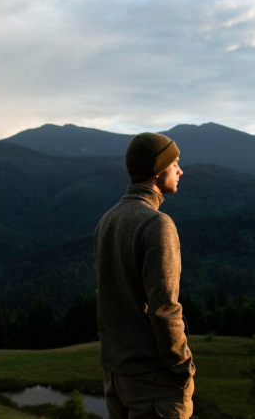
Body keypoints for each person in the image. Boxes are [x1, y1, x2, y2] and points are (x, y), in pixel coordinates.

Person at [94, 132, 195, 419]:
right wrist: (182, 366)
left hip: (116, 375)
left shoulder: (107, 220)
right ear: (157, 168)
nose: (180, 170)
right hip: (152, 381)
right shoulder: (157, 224)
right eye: (175, 163)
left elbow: (107, 296)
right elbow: (164, 307)